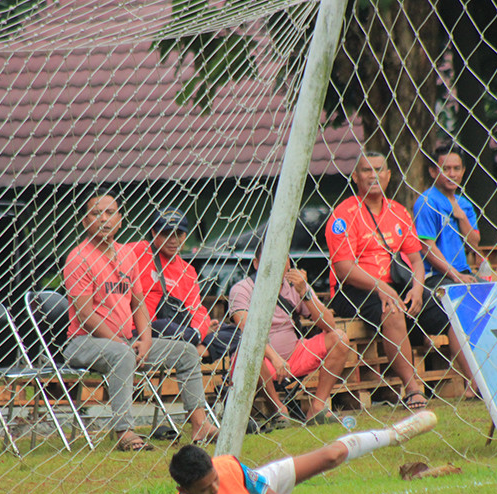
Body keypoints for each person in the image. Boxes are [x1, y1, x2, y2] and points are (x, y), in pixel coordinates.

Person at [63, 195, 220, 451]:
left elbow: (139, 304)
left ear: (120, 220)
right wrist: (123, 344)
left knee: (187, 352)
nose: (104, 219)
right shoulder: (78, 257)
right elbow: (85, 316)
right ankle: (124, 431)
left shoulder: (126, 255)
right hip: (84, 342)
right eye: (96, 214)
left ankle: (200, 425)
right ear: (84, 221)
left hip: (126, 341)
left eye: (110, 212)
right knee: (123, 355)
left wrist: (145, 340)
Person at [325, 151, 474, 408]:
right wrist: (381, 287)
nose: (373, 175)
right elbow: (343, 268)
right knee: (392, 309)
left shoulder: (398, 211)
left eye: (379, 169)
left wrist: (418, 289)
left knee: (449, 309)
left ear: (389, 175)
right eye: (366, 170)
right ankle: (413, 388)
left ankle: (476, 383)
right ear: (355, 177)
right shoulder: (343, 214)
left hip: (396, 284)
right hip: (353, 289)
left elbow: (416, 260)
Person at [169, 410, 437, 494]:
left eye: (215, 479)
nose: (215, 488)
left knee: (331, 455)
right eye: (206, 489)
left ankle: (393, 434)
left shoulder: (227, 466)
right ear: (185, 491)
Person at [227, 238, 349, 425]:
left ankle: (317, 407)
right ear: (256, 263)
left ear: (289, 263)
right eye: (269, 260)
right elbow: (247, 330)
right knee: (249, 352)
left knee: (339, 338)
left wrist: (304, 292)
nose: (276, 265)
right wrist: (275, 358)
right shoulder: (242, 289)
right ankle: (278, 409)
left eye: (282, 259)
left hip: (295, 355)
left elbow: (329, 324)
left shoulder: (296, 285)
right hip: (261, 360)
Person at [127, 209, 237, 364]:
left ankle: (194, 347)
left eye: (179, 234)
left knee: (234, 333)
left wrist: (197, 332)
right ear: (153, 232)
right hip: (146, 329)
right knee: (165, 325)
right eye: (167, 234)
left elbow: (197, 310)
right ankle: (193, 347)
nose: (173, 240)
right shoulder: (138, 251)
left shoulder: (188, 271)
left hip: (180, 331)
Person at [413, 143, 482, 288]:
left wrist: (461, 217)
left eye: (457, 169)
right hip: (436, 276)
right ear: (433, 172)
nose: (452, 174)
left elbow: (474, 244)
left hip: (464, 271)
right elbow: (427, 247)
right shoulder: (427, 202)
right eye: (445, 169)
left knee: (493, 296)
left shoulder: (464, 204)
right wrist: (455, 275)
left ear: (463, 171)